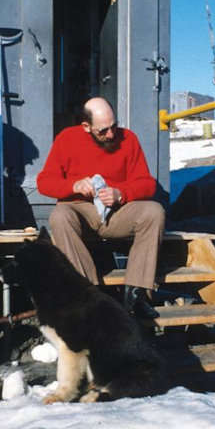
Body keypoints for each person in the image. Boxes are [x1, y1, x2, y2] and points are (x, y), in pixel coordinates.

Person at [36, 97, 165, 319]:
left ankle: (136, 295)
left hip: (117, 213)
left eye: (114, 126)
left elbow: (147, 183)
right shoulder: (67, 139)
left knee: (154, 211)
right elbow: (43, 182)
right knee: (60, 215)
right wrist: (73, 185)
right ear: (86, 127)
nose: (111, 135)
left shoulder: (129, 139)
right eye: (103, 131)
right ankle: (89, 295)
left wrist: (120, 193)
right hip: (80, 211)